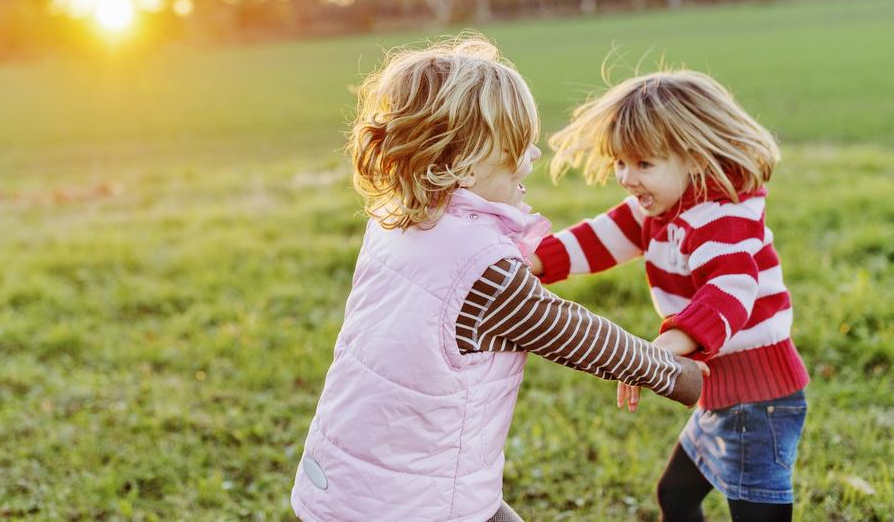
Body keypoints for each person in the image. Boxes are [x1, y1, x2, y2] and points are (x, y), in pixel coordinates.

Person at [290, 37, 704, 522]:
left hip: (347, 481)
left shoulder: (393, 221)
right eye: (516, 146)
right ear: (462, 164)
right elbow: (574, 333)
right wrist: (674, 373)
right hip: (418, 505)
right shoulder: (482, 270)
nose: (531, 156)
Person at [529, 70, 809, 522]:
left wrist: (659, 352)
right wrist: (531, 263)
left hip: (760, 402)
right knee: (675, 497)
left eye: (643, 165)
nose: (625, 177)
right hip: (720, 393)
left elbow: (730, 290)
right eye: (621, 162)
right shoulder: (661, 207)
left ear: (694, 159)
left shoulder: (724, 216)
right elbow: (600, 238)